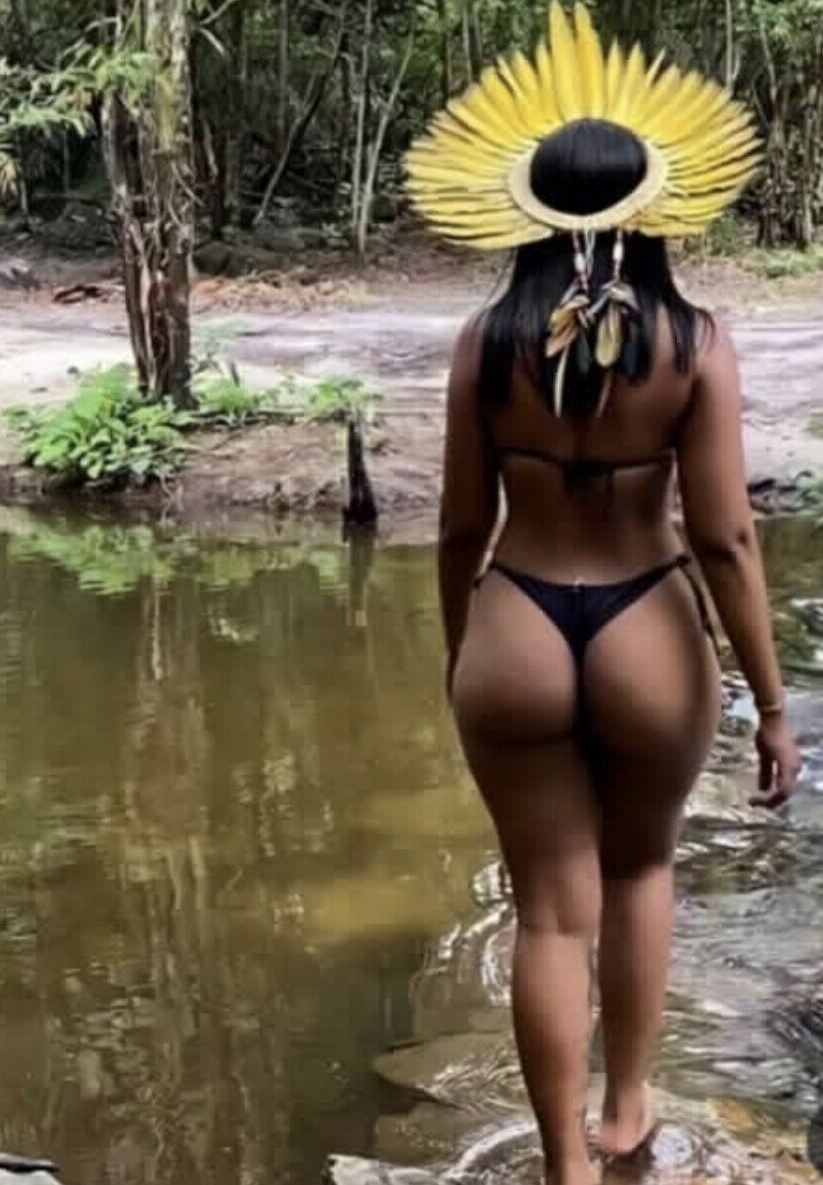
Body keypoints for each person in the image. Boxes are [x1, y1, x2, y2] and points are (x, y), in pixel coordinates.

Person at [406, 5, 802, 1185]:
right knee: (638, 871)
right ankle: (626, 1116)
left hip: (517, 619)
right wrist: (771, 704)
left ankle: (563, 1168)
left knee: (546, 913)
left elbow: (459, 527)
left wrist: (461, 648)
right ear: (651, 209)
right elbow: (724, 536)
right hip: (647, 624)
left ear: (528, 211)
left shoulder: (485, 342)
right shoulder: (694, 342)